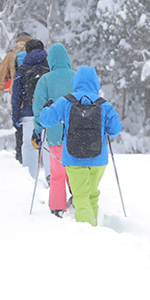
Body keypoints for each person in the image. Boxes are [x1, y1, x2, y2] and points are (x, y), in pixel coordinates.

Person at [35, 65, 123, 226]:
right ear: (96, 83)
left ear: (75, 82)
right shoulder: (103, 104)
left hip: (74, 158)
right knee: (91, 194)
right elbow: (115, 130)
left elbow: (45, 120)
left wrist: (46, 108)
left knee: (80, 196)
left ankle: (88, 232)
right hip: (98, 159)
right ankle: (94, 225)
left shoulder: (66, 101)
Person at [31, 43, 76, 217]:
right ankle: (77, 199)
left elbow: (39, 109)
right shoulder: (76, 77)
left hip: (55, 133)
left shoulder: (45, 80)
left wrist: (38, 130)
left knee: (57, 173)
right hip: (76, 132)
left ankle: (57, 207)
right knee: (74, 169)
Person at [13, 39, 49, 180]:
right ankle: (49, 176)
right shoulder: (49, 68)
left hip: (28, 114)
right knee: (47, 143)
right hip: (46, 114)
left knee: (28, 145)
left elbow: (16, 97)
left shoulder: (22, 70)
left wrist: (15, 117)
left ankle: (29, 177)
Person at [0, 32, 32, 162]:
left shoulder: (11, 55)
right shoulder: (36, 53)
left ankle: (21, 156)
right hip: (35, 97)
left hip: (18, 96)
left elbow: (2, 74)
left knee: (20, 126)